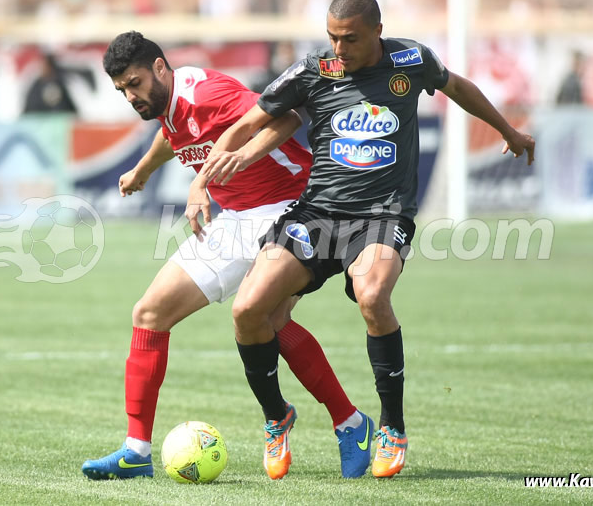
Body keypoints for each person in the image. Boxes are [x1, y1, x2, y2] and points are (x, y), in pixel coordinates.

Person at [194, 0, 536, 479]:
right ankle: (276, 416)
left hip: (383, 215)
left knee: (373, 296)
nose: (339, 48)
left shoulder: (410, 61)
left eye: (350, 38)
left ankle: (392, 427)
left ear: (377, 30)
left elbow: (457, 86)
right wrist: (203, 181)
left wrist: (508, 130)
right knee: (248, 311)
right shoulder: (314, 70)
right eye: (332, 37)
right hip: (317, 214)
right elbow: (246, 123)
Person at [81, 31, 374, 481]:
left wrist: (234, 162)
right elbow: (173, 136)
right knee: (150, 313)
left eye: (135, 84)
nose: (131, 96)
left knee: (268, 319)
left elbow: (285, 117)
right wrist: (142, 170)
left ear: (160, 68)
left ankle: (341, 423)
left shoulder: (208, 95)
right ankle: (136, 451)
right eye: (122, 90)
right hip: (238, 216)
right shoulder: (169, 104)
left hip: (290, 206)